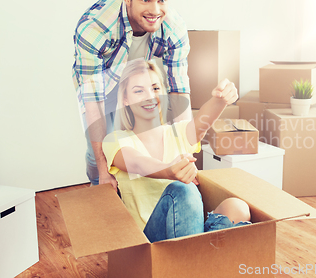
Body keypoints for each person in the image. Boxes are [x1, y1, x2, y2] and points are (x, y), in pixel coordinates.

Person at [72, 0, 191, 189]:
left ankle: (138, 192)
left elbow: (179, 91)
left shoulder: (174, 28)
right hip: (101, 83)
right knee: (101, 149)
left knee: (144, 136)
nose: (156, 10)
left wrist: (184, 157)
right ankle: (98, 179)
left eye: (162, 0)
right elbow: (92, 102)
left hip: (136, 76)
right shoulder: (94, 28)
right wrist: (103, 169)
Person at [102, 59, 250, 242]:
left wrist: (220, 99)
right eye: (139, 91)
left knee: (237, 207)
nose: (149, 96)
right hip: (150, 240)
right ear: (125, 99)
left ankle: (199, 258)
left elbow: (204, 121)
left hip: (188, 231)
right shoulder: (115, 140)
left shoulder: (179, 133)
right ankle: (198, 258)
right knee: (183, 189)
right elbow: (137, 163)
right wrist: (169, 170)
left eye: (155, 89)